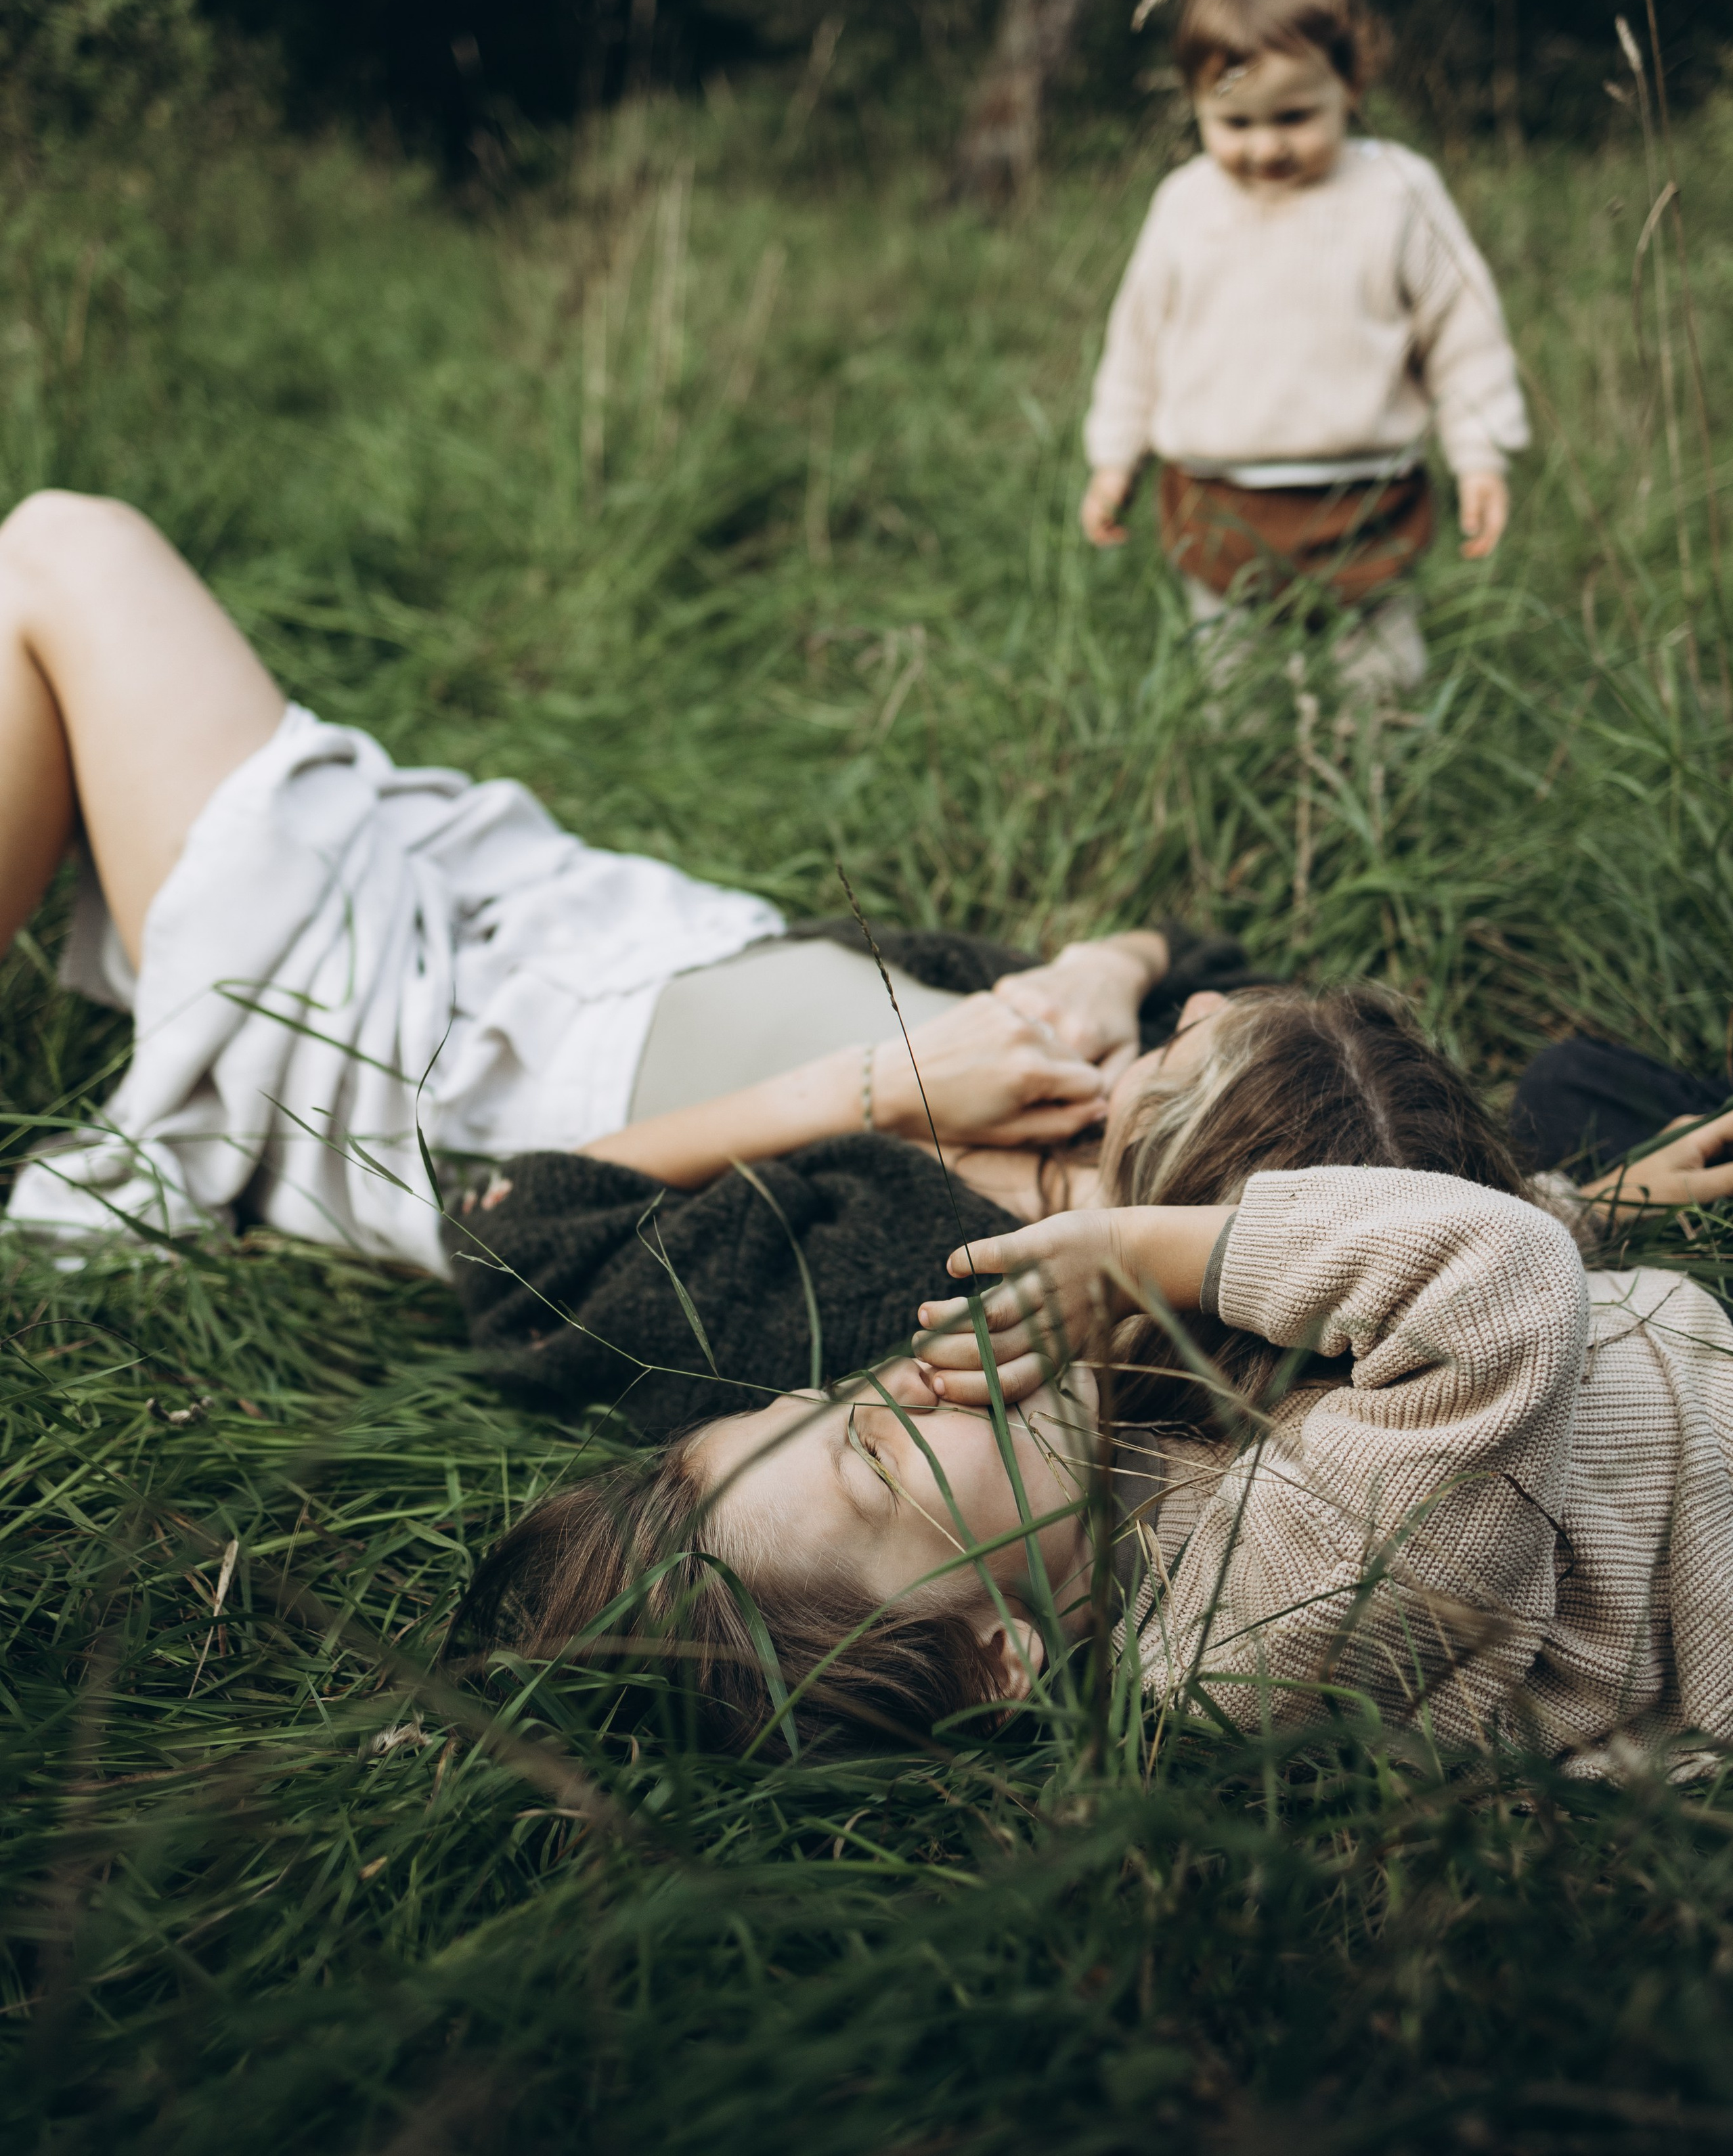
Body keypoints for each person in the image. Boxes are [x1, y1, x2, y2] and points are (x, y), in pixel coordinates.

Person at [462, 984, 1733, 1778]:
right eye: (874, 1450)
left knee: (1576, 1091)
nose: (903, 1381)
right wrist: (1139, 1250)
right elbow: (1496, 1293)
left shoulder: (1103, 1462)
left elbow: (1355, 1335)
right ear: (994, 1661)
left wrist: (1583, 1198)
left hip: (1656, 1377)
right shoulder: (1246, 1646)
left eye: (838, 1396)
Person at [0, 490, 1223, 1269]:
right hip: (520, 902)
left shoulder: (945, 1255)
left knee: (59, 551)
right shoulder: (1122, 1074)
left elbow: (514, 1240)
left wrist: (882, 1092)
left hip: (387, 1028)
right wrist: (1108, 966)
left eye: (1220, 1051)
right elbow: (1215, 967)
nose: (1211, 1018)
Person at [1078, 0, 1529, 693]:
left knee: (1380, 674)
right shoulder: (1186, 206)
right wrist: (1114, 456)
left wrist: (1480, 452)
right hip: (1218, 498)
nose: (1264, 149)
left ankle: (1380, 788)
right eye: (1234, 123)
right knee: (1234, 675)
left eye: (1292, 117)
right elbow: (1139, 341)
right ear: (1194, 103)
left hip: (1366, 494)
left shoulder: (1397, 193)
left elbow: (1463, 330)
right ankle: (1252, 786)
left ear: (1349, 86)